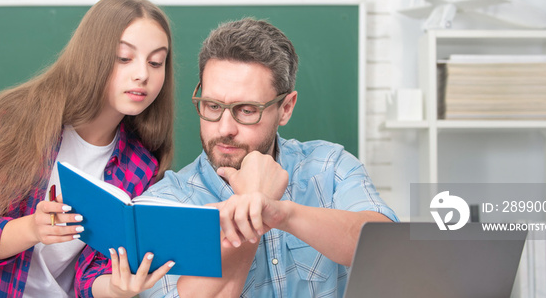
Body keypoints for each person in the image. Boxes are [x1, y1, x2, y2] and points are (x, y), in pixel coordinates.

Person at [0, 0, 176, 298]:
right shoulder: (17, 119)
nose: (143, 74)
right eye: (124, 58)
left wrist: (117, 287)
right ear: (92, 55)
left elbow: (91, 276)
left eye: (156, 62)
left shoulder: (141, 163)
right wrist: (32, 229)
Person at [138, 18, 399, 298]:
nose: (225, 128)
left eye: (247, 110)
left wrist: (280, 212)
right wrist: (250, 206)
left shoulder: (330, 166)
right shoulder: (166, 204)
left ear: (285, 108)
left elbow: (388, 250)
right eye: (212, 106)